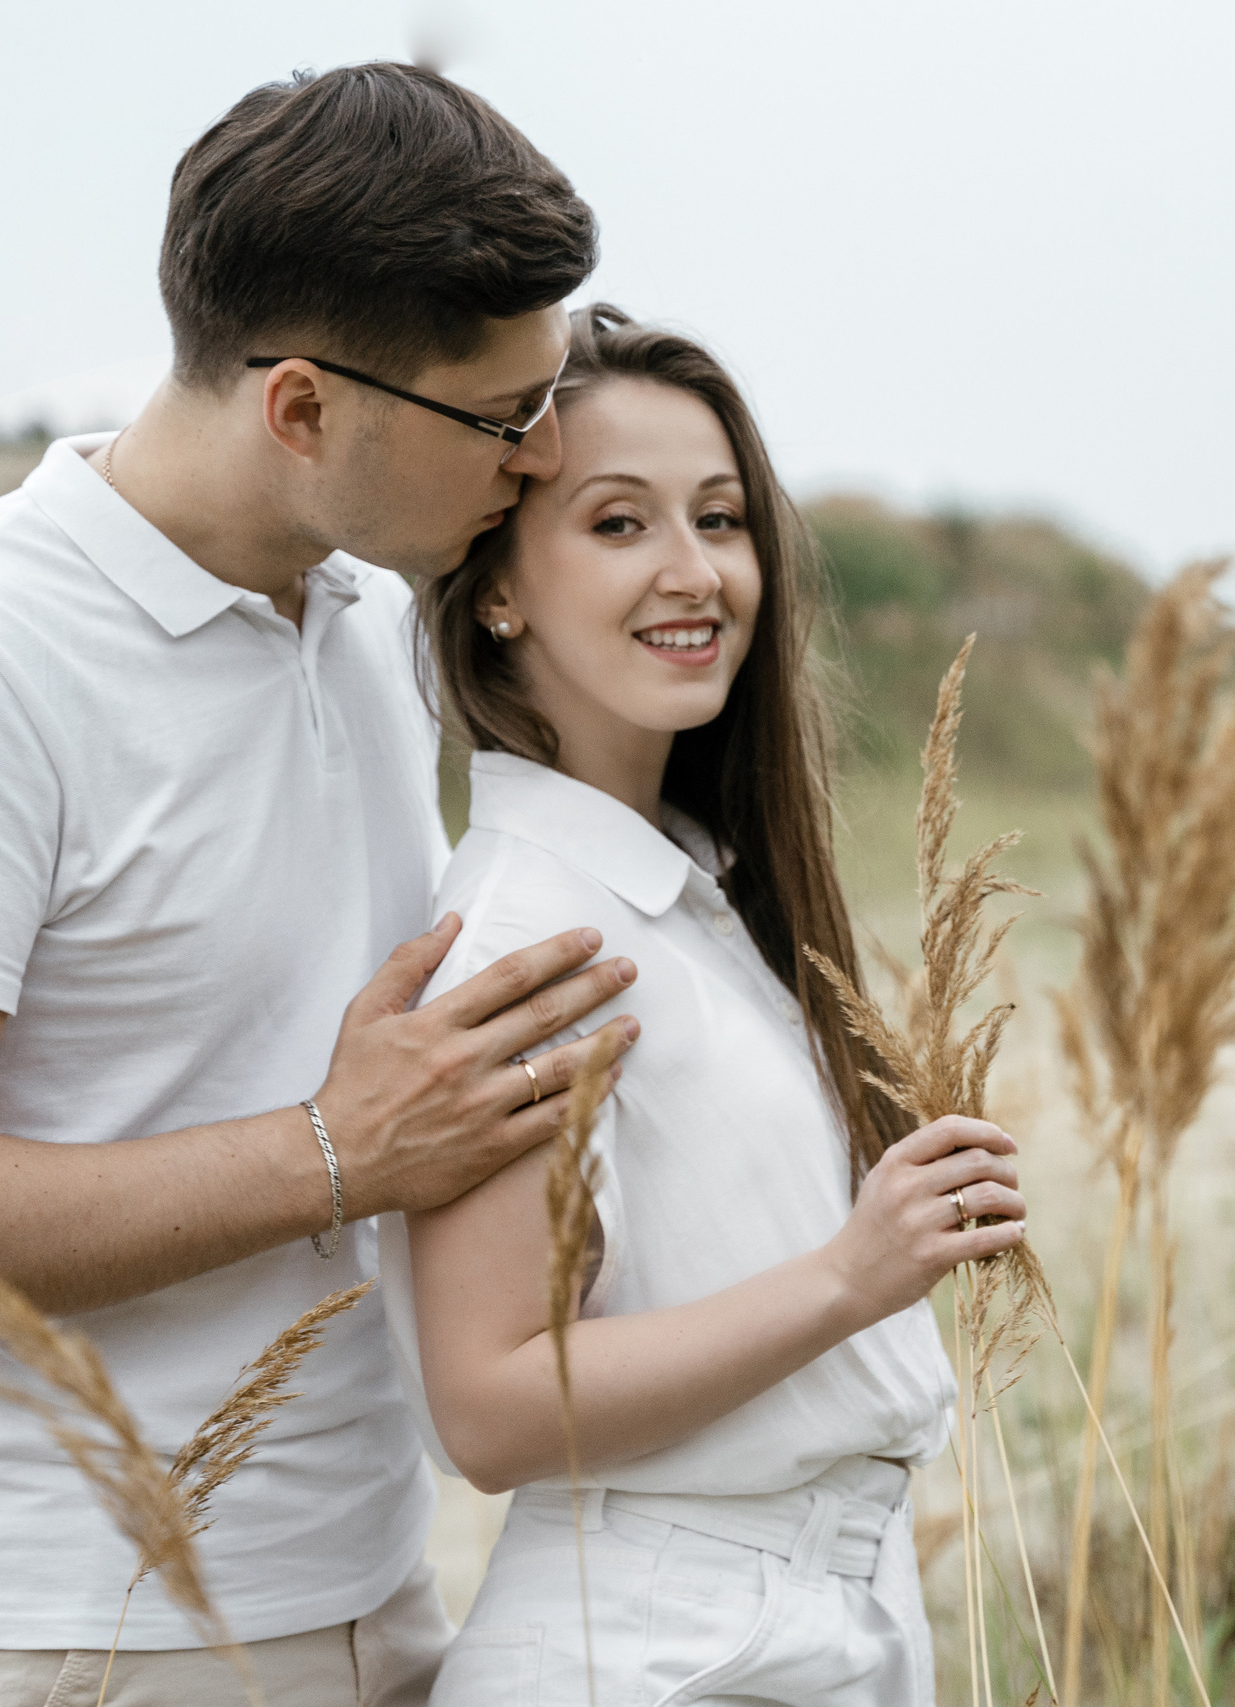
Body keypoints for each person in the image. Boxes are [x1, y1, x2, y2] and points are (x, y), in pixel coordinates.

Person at [0, 64, 639, 1707]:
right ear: (300, 408)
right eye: (505, 416)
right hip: (64, 1642)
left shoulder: (364, 617)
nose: (546, 450)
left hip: (375, 1596)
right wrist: (335, 1152)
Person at [393, 306, 1029, 1707]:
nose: (696, 572)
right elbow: (488, 1406)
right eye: (619, 525)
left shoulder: (685, 889)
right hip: (662, 1650)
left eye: (721, 518)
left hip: (813, 1622)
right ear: (497, 586)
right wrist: (849, 1277)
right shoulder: (530, 931)